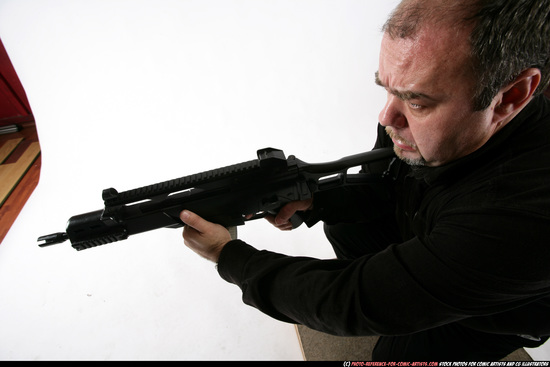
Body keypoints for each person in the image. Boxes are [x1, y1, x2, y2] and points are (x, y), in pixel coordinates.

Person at [179, 0, 550, 361]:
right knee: (347, 227)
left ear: (509, 98)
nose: (387, 116)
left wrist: (228, 256)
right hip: (438, 230)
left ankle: (416, 308)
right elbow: (389, 185)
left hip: (495, 314)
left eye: (417, 102)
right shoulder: (414, 123)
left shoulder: (523, 214)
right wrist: (317, 199)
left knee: (393, 356)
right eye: (386, 88)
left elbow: (352, 301)